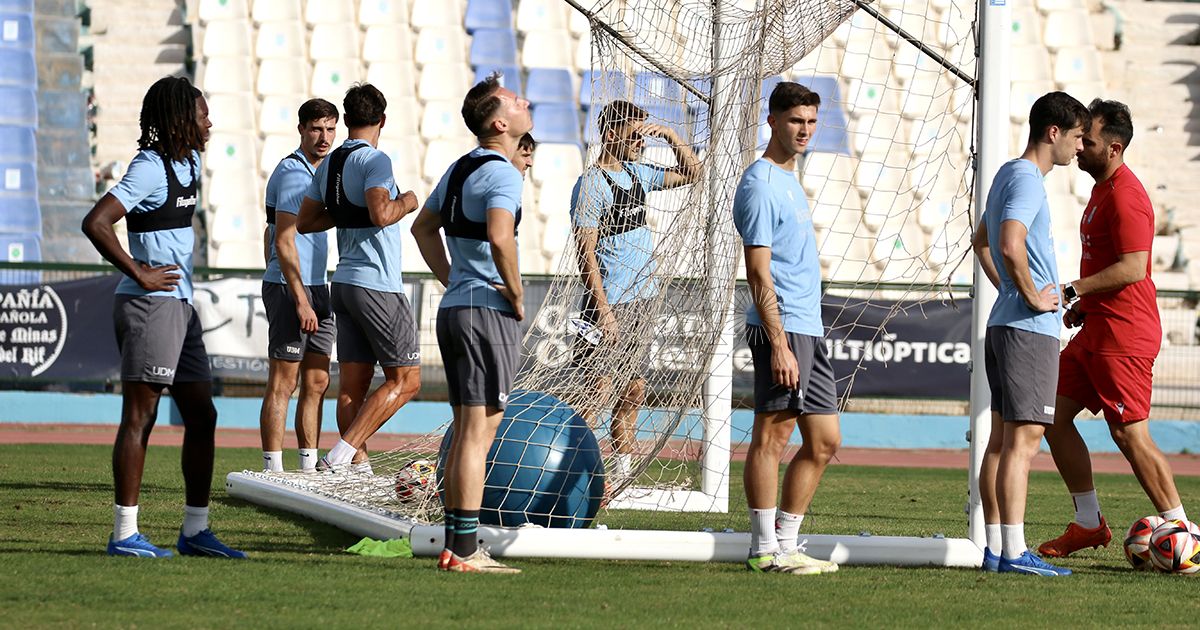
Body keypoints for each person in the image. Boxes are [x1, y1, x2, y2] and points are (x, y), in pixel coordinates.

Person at [81, 76, 245, 558]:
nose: (209, 120)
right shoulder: (150, 168)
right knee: (141, 415)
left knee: (202, 414)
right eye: (201, 113)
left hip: (180, 307)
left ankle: (195, 531)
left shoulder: (189, 161)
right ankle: (124, 534)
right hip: (149, 305)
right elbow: (96, 221)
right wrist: (140, 271)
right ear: (179, 119)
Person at [1038, 99, 1187, 558]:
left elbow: (1133, 268)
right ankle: (1088, 523)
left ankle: (1182, 530)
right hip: (1098, 331)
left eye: (1091, 141)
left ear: (1115, 148)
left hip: (1124, 336)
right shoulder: (1102, 190)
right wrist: (1087, 307)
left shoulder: (1126, 195)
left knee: (1129, 433)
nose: (1080, 146)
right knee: (1051, 415)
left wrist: (1073, 290)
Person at [411, 72, 531, 573]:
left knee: (466, 429)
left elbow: (422, 227)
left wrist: (455, 277)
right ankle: (463, 550)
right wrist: (518, 293)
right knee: (479, 433)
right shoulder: (503, 171)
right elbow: (501, 237)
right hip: (486, 312)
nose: (525, 101)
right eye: (514, 99)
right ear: (500, 122)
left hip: (458, 305)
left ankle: (457, 545)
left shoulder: (460, 168)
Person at [972, 91, 1089, 576]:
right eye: (1079, 137)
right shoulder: (1027, 180)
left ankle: (998, 551)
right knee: (1022, 443)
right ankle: (1014, 552)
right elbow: (1006, 242)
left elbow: (981, 242)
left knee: (1001, 442)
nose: (1080, 148)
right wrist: (1030, 296)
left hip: (1005, 324)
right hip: (1028, 331)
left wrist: (1009, 293)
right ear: (1054, 132)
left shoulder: (1006, 174)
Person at [732, 82, 838, 575]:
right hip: (783, 328)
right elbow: (758, 271)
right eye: (797, 120)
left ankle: (787, 544)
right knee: (772, 437)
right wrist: (778, 343)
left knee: (824, 440)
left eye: (812, 122)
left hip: (807, 327)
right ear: (772, 121)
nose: (805, 130)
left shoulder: (790, 178)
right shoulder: (759, 183)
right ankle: (761, 549)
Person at [570, 100, 701, 480]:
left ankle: (622, 474)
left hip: (642, 302)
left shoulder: (637, 173)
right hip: (609, 305)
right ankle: (572, 470)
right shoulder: (592, 185)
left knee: (634, 392)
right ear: (611, 135)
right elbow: (585, 254)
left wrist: (673, 136)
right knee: (594, 394)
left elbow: (693, 173)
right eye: (635, 134)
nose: (643, 141)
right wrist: (603, 310)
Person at [296, 84, 421, 471]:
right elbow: (382, 213)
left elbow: (306, 222)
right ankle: (340, 456)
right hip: (376, 284)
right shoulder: (376, 160)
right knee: (408, 380)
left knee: (353, 386)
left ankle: (358, 471)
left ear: (346, 120)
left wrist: (347, 211)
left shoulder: (331, 162)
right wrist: (410, 200)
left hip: (345, 283)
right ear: (382, 120)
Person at [258, 98, 339, 473]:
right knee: (284, 381)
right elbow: (282, 240)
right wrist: (298, 296)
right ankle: (273, 470)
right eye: (316, 129)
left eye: (330, 129)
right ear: (302, 130)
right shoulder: (294, 173)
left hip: (320, 287)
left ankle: (308, 469)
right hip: (296, 289)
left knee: (317, 381)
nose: (324, 137)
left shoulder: (324, 172)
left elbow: (268, 233)